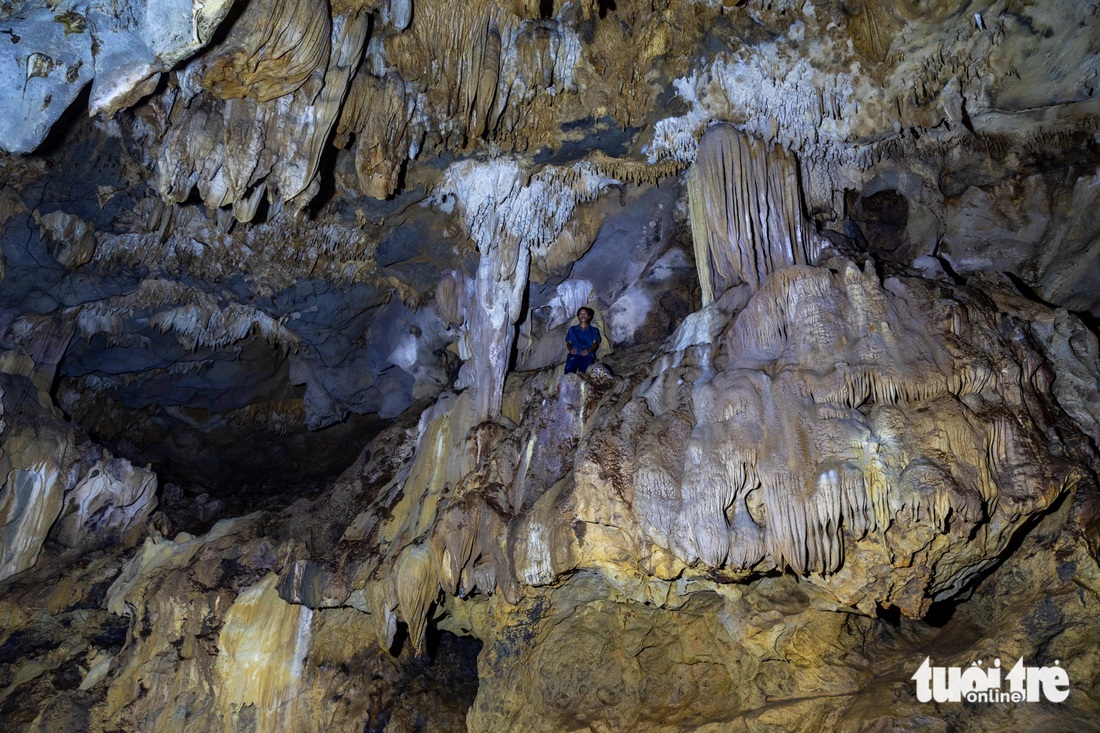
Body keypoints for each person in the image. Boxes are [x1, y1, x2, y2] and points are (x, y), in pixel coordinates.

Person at [564, 306, 601, 374]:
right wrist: (571, 349)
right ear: (578, 317)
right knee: (569, 373)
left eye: (585, 314)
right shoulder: (572, 329)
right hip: (574, 354)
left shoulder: (593, 330)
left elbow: (595, 343)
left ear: (589, 317)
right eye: (581, 314)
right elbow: (568, 342)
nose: (583, 315)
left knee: (584, 375)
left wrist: (588, 350)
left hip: (587, 355)